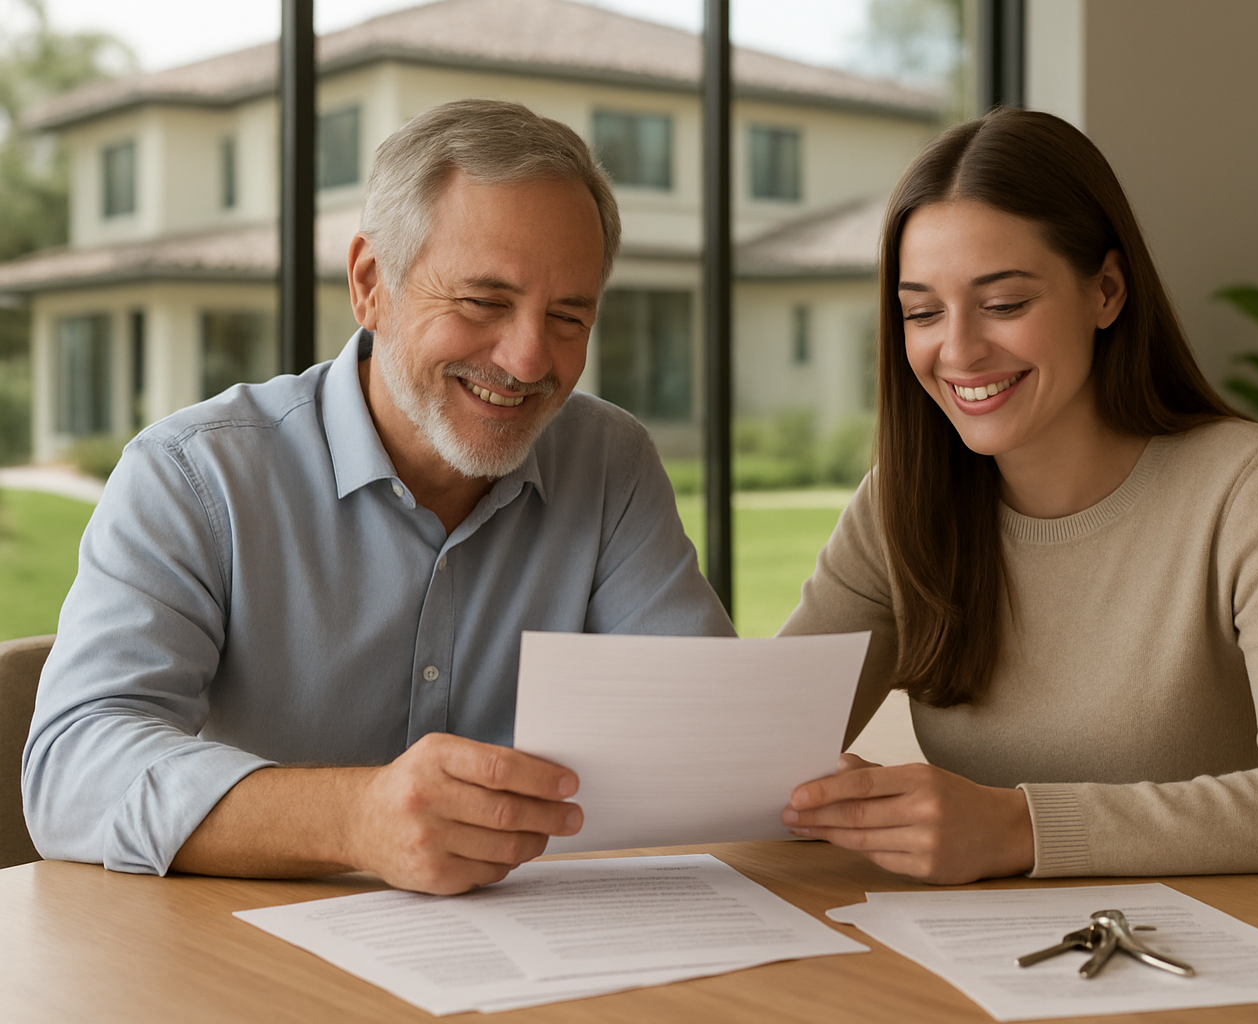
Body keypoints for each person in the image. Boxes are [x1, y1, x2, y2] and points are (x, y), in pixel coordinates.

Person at [23, 99, 733, 895]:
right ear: (370, 284)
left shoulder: (610, 463)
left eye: (568, 316)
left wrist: (805, 784)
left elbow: (709, 731)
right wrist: (353, 819)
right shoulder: (193, 476)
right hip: (245, 952)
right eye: (483, 302)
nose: (530, 360)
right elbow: (71, 771)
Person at [778, 109, 1258, 887]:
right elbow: (757, 752)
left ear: (1106, 291)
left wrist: (1021, 827)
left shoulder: (1250, 487)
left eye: (1004, 304)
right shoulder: (901, 505)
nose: (958, 350)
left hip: (1242, 941)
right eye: (923, 313)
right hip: (1005, 943)